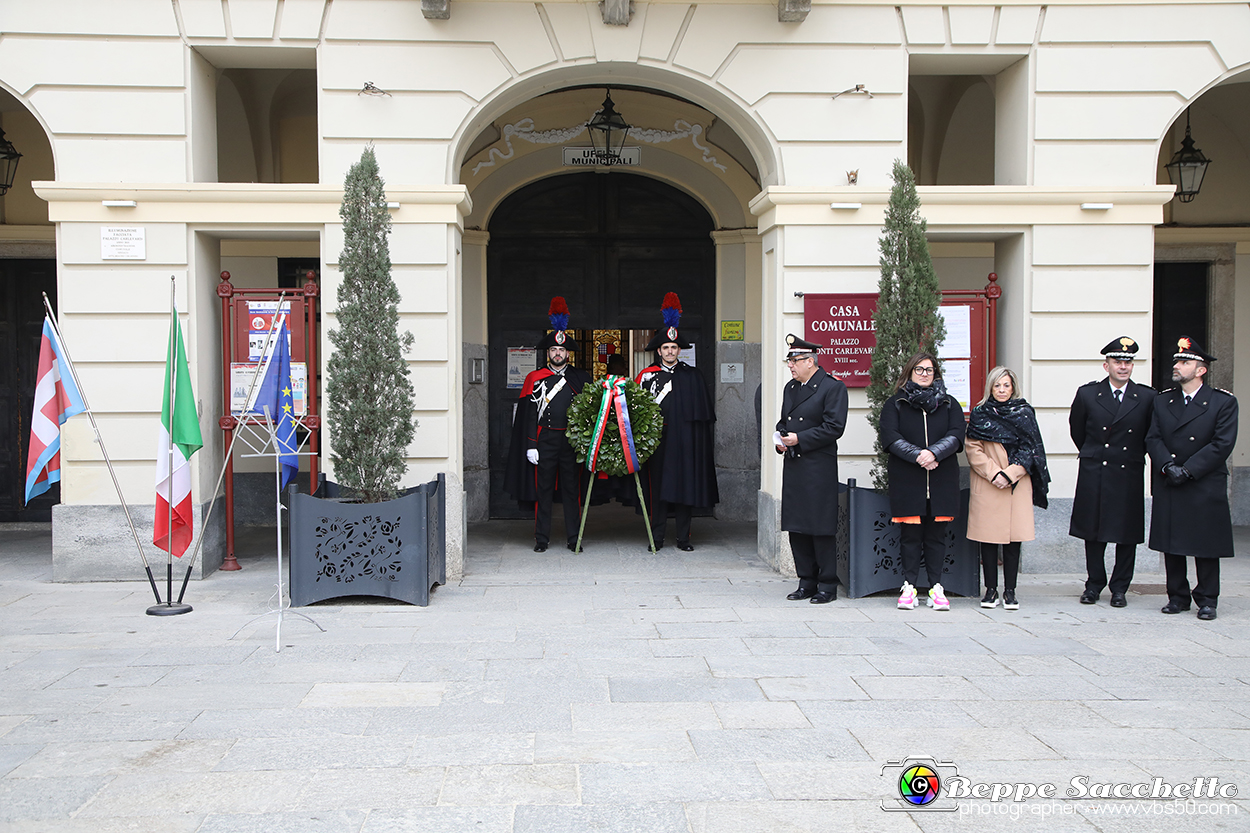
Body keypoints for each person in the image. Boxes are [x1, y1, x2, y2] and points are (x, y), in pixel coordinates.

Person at [1147, 336, 1239, 621]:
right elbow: (1153, 437)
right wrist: (1167, 466)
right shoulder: (1163, 401)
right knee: (1172, 542)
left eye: (1184, 362)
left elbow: (1222, 444)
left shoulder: (1222, 402)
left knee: (1206, 544)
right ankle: (1177, 596)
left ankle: (1208, 599)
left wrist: (1188, 469)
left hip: (1203, 481)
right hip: (1170, 477)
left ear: (1201, 370)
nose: (1177, 366)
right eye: (1177, 361)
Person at [1068, 336, 1155, 608]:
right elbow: (1078, 430)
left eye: (1128, 362)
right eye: (1118, 361)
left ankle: (1120, 588)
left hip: (1127, 469)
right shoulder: (1088, 394)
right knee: (1093, 533)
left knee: (1126, 534)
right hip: (1096, 469)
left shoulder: (1146, 396)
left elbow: (1149, 434)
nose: (1123, 367)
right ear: (1106, 365)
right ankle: (1094, 584)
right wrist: (1096, 454)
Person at [503, 297, 592, 553]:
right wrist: (531, 444)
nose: (557, 354)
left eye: (561, 350)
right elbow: (529, 413)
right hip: (544, 442)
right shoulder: (535, 377)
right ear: (548, 352)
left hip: (571, 442)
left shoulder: (580, 378)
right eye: (553, 350)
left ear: (568, 352)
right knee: (543, 492)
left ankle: (574, 538)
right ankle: (542, 539)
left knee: (571, 492)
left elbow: (589, 412)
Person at [879, 352, 965, 611]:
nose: (925, 374)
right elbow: (891, 438)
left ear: (935, 374)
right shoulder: (896, 404)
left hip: (941, 481)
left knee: (936, 537)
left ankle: (936, 588)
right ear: (909, 372)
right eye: (919, 369)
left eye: (929, 370)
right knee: (910, 537)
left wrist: (934, 453)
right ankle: (909, 587)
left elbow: (957, 434)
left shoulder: (949, 404)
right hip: (909, 480)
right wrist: (919, 456)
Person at [635, 293, 719, 550]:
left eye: (674, 348)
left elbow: (702, 418)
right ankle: (656, 537)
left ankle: (684, 538)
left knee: (685, 490)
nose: (670, 351)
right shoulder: (647, 376)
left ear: (678, 350)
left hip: (685, 443)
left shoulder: (692, 376)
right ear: (659, 350)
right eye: (665, 348)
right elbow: (636, 413)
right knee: (658, 491)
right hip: (658, 444)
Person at [965, 366, 1050, 610]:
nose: (1002, 390)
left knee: (1014, 541)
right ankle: (990, 590)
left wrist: (1011, 474)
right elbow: (973, 449)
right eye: (997, 385)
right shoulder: (981, 414)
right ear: (990, 388)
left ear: (1013, 388)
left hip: (1016, 484)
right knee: (988, 541)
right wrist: (995, 474)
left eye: (1006, 385)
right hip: (989, 483)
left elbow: (1031, 448)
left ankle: (1010, 591)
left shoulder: (1024, 413)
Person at [775, 334, 848, 604]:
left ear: (810, 361)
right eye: (789, 361)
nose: (791, 366)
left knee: (820, 527)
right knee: (798, 527)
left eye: (794, 361)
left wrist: (800, 439)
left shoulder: (832, 388)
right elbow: (785, 422)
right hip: (794, 464)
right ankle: (806, 580)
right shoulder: (791, 388)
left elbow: (833, 428)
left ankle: (827, 584)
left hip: (818, 468)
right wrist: (780, 440)